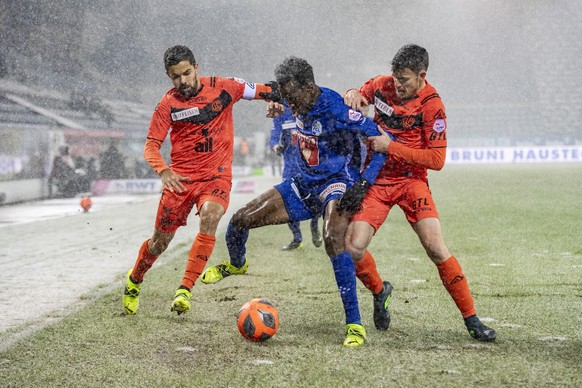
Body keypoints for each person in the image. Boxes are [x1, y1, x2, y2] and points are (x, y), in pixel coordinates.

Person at [200, 56, 391, 347]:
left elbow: (380, 140)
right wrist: (273, 102)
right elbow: (260, 93)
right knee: (239, 220)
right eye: (285, 97)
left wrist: (364, 183)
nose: (289, 103)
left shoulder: (336, 109)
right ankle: (237, 264)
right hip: (301, 185)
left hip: (335, 183)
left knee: (333, 238)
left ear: (309, 87)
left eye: (292, 97)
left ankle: (354, 324)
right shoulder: (291, 96)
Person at [342, 44, 496, 341]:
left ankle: (472, 320)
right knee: (354, 248)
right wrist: (352, 92)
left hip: (413, 182)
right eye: (396, 78)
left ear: (422, 75)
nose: (397, 85)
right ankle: (379, 291)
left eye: (405, 80)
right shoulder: (381, 85)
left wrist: (392, 147)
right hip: (377, 181)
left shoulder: (432, 105)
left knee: (436, 248)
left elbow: (436, 160)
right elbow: (360, 93)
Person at [122, 45, 281, 316]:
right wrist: (164, 171)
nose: (182, 81)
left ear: (196, 67)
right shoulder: (167, 104)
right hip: (180, 181)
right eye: (175, 77)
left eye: (186, 73)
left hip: (215, 176)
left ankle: (184, 290)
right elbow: (150, 145)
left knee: (210, 216)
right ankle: (135, 279)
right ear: (168, 77)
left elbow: (271, 89)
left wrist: (275, 101)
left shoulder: (225, 87)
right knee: (159, 243)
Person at [269, 103, 322, 250]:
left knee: (316, 199)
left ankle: (314, 224)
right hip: (290, 167)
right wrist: (277, 147)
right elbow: (273, 138)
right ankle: (297, 238)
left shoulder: (309, 108)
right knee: (288, 202)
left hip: (309, 166)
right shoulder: (281, 113)